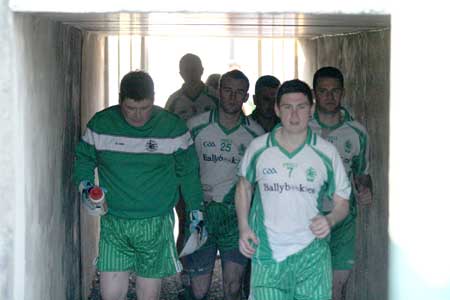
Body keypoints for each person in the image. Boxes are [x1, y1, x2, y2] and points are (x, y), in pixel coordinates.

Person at [74, 70, 205, 300]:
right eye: (130, 108)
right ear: (119, 100)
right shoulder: (101, 124)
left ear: (153, 100)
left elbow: (189, 173)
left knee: (148, 294)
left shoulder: (172, 128)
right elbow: (84, 158)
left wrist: (196, 210)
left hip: (156, 222)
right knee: (110, 294)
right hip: (114, 221)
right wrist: (86, 187)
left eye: (144, 108)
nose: (137, 116)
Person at [236, 79, 351, 300]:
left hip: (312, 257)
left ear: (312, 109)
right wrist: (244, 227)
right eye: (288, 107)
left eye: (301, 107)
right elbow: (244, 186)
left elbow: (342, 201)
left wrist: (330, 220)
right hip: (268, 255)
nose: (295, 115)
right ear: (277, 110)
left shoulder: (326, 153)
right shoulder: (259, 148)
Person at [185, 70, 264, 300]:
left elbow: (258, 181)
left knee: (232, 286)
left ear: (246, 96)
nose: (232, 97)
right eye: (228, 91)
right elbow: (184, 170)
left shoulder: (255, 134)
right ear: (218, 92)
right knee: (199, 290)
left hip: (235, 218)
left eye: (239, 92)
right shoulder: (195, 126)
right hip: (203, 215)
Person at [309, 66, 373, 300]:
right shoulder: (300, 127)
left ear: (343, 93)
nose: (329, 96)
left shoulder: (357, 132)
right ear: (315, 93)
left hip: (343, 219)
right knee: (310, 283)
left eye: (335, 91)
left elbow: (362, 173)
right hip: (308, 217)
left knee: (337, 287)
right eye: (323, 91)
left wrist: (367, 189)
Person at [165, 53, 218, 121]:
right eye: (186, 71)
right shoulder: (173, 100)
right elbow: (167, 124)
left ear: (201, 70)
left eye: (194, 70)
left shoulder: (216, 97)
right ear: (181, 74)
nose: (190, 74)